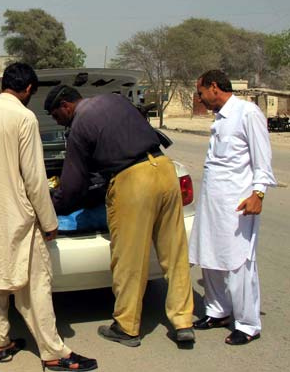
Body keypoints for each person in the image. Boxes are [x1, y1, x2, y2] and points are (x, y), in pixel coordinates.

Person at [0, 64, 97, 371]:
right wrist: (49, 221)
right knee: (36, 285)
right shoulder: (24, 118)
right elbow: (35, 178)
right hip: (17, 216)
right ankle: (53, 352)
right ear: (28, 89)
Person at [44, 84, 194, 347]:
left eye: (56, 116)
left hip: (134, 182)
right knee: (175, 253)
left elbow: (74, 187)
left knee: (129, 259)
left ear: (66, 106)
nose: (58, 121)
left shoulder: (80, 125)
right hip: (164, 170)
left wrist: (51, 206)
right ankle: (183, 322)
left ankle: (127, 327)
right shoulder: (115, 101)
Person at [189, 70, 276, 346]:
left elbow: (263, 160)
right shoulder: (221, 117)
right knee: (210, 257)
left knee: (239, 262)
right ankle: (218, 311)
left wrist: (258, 193)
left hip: (238, 204)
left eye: (201, 93)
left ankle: (248, 323)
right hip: (213, 202)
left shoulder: (247, 113)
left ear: (214, 87)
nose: (201, 100)